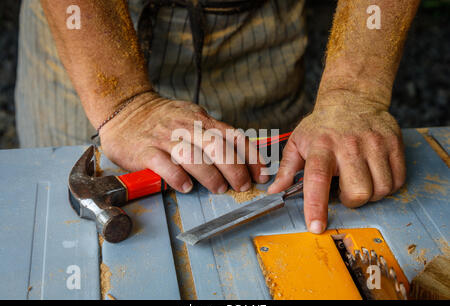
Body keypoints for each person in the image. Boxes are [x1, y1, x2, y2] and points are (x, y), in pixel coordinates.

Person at [15, 0, 419, 234]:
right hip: (90, 29)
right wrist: (122, 102)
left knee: (284, 184)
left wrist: (353, 92)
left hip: (257, 26)